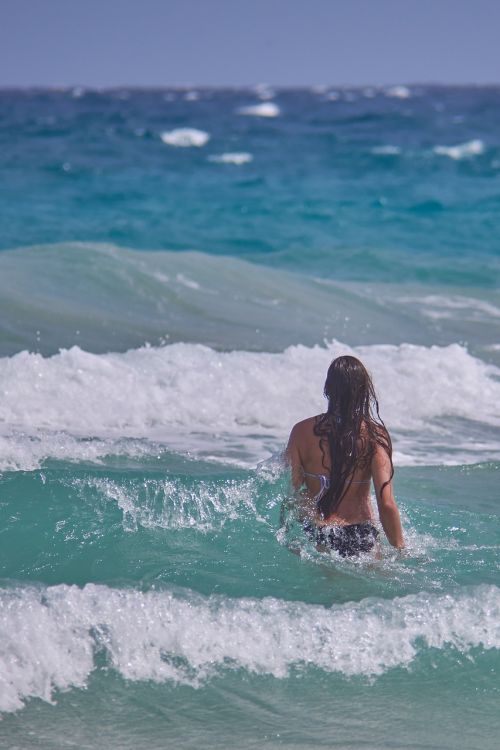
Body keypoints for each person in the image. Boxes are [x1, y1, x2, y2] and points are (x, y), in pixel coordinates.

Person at [285, 355, 404, 557]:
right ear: (364, 391)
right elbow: (387, 503)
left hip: (317, 530)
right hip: (360, 534)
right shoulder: (375, 436)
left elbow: (292, 487)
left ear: (327, 388)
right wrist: (401, 548)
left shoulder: (301, 431)